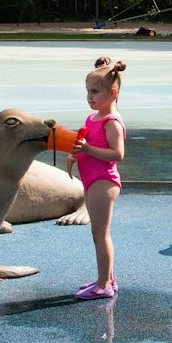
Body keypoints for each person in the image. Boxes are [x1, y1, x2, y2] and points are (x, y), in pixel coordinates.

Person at [70, 56, 127, 300]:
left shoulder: (111, 121)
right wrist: (75, 154)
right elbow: (86, 143)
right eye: (87, 91)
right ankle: (107, 278)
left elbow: (117, 154)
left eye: (95, 91)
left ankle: (104, 284)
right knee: (97, 233)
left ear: (113, 92)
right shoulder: (92, 118)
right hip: (92, 179)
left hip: (104, 181)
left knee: (100, 234)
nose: (89, 97)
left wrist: (87, 151)